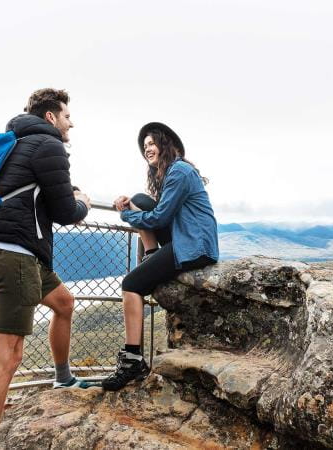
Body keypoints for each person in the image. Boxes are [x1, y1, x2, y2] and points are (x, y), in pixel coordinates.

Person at [0, 88, 92, 450]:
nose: (72, 122)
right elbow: (67, 212)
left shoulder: (16, 144)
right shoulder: (48, 145)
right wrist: (82, 202)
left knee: (64, 304)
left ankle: (63, 378)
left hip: (23, 252)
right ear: (51, 117)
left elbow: (40, 199)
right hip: (15, 254)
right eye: (67, 115)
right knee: (7, 358)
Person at [102, 122, 219, 391]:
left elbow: (161, 217)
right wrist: (130, 203)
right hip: (187, 239)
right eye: (145, 147)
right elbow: (153, 209)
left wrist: (126, 214)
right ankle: (153, 254)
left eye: (152, 144)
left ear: (166, 145)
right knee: (141, 199)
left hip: (193, 246)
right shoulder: (172, 173)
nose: (148, 150)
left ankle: (132, 361)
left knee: (131, 284)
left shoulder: (179, 171)